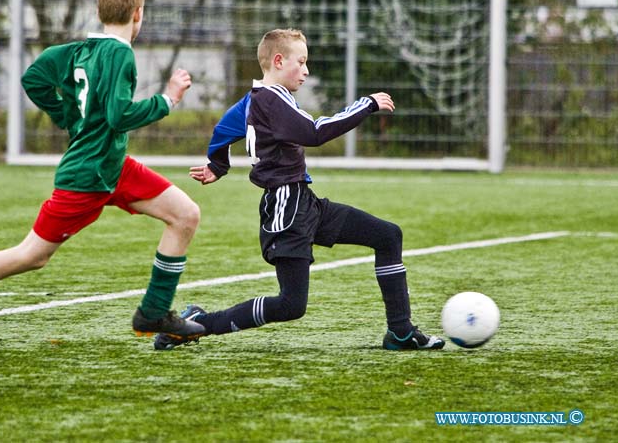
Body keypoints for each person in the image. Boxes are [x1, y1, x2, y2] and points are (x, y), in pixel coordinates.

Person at [0, 0, 205, 346]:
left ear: (100, 10)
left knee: (185, 214)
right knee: (31, 255)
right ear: (138, 13)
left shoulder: (78, 50)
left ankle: (154, 312)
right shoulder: (120, 55)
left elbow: (34, 77)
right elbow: (118, 115)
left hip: (112, 166)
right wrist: (168, 99)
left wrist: (70, 119)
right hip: (87, 176)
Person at [155, 28, 444, 351]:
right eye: (301, 62)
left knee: (388, 235)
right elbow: (314, 132)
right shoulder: (272, 99)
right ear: (278, 61)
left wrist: (217, 166)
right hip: (286, 211)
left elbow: (224, 128)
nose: (306, 71)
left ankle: (401, 333)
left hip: (304, 203)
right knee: (291, 305)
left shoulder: (256, 98)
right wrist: (366, 105)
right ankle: (197, 323)